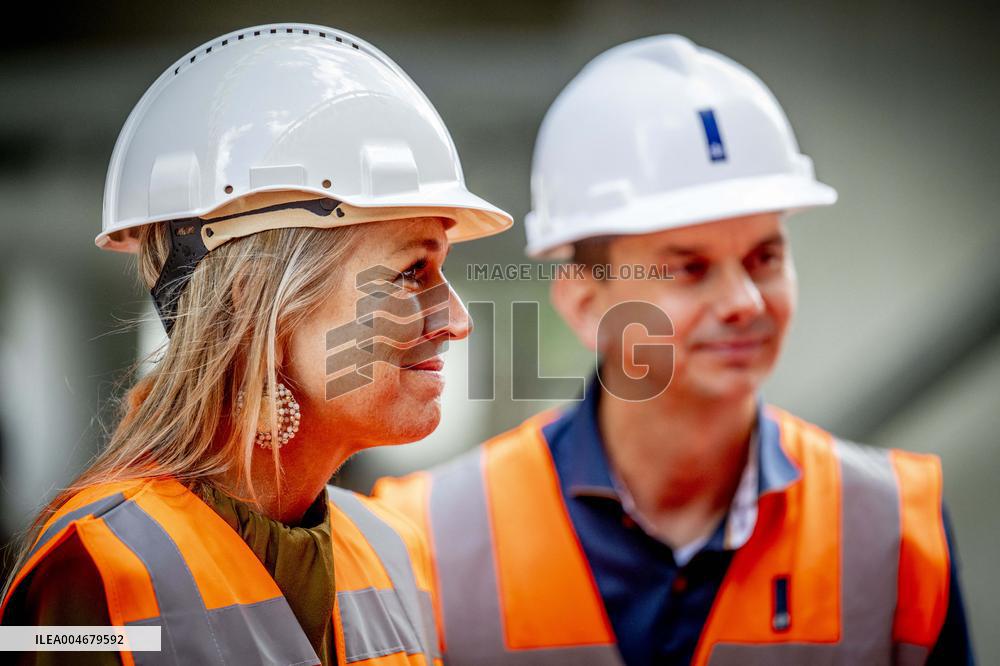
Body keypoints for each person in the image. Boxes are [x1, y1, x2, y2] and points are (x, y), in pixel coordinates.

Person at [374, 35, 973, 665]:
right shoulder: (424, 538)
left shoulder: (894, 527)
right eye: (690, 268)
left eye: (764, 257)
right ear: (585, 304)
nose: (745, 300)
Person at [0, 22, 511, 666]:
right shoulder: (96, 569)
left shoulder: (391, 551)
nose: (456, 320)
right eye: (413, 270)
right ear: (252, 302)